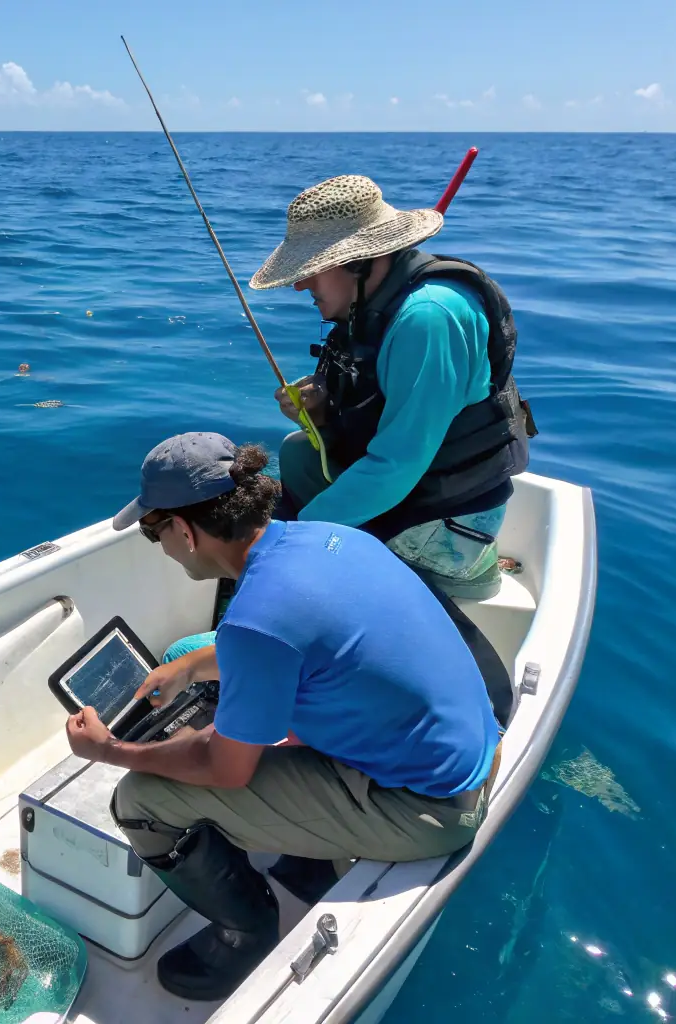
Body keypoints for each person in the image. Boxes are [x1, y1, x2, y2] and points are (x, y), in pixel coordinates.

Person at [65, 431, 501, 1001]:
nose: (160, 545)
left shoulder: (256, 622)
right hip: (467, 750)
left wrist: (110, 751)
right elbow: (300, 635)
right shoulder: (331, 539)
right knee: (202, 677)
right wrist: (193, 666)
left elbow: (226, 770)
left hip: (428, 811)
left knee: (142, 800)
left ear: (185, 530)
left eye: (154, 530)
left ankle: (243, 933)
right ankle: (313, 858)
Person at [246, 174, 538, 599]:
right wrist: (324, 413)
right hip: (412, 486)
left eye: (312, 269)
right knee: (295, 450)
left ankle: (464, 573)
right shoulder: (377, 299)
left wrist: (292, 544)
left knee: (285, 561)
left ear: (360, 262)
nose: (300, 284)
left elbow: (397, 466)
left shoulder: (428, 318)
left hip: (439, 516)